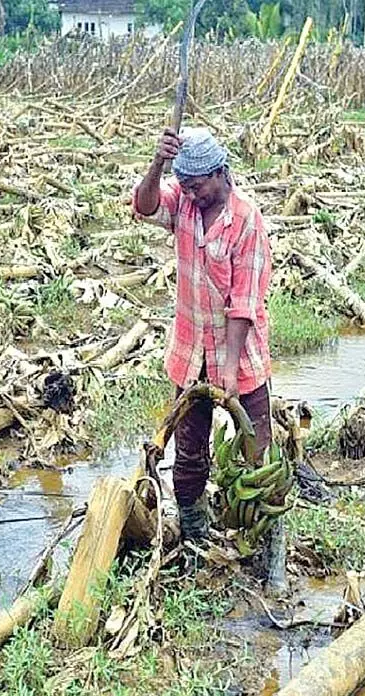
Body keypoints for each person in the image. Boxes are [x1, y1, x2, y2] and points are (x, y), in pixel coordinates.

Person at [131, 127, 275, 544]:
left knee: (257, 455)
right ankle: (195, 539)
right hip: (190, 353)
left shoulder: (246, 220)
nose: (191, 195)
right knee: (189, 455)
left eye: (197, 187)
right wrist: (158, 162)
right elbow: (144, 206)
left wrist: (228, 371)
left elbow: (244, 303)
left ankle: (265, 542)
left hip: (240, 356)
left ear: (221, 173)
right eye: (186, 187)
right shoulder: (184, 204)